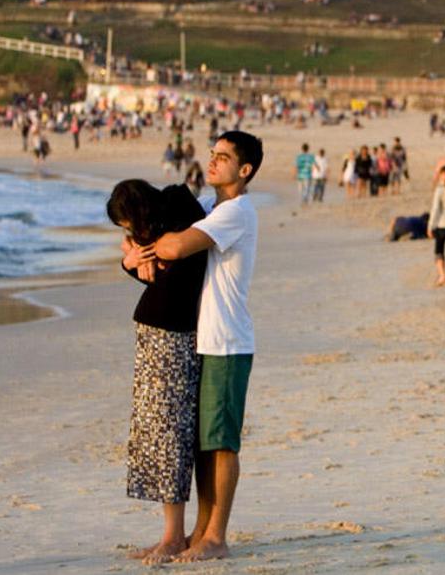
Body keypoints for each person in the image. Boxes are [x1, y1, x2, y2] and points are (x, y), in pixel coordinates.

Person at [153, 130, 263, 562]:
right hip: (204, 339)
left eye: (223, 156)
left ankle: (217, 536)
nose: (212, 161)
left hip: (227, 342)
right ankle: (199, 533)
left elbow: (177, 245)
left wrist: (157, 245)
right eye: (212, 153)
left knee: (221, 444)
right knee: (203, 444)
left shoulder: (236, 212)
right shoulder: (210, 207)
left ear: (244, 170)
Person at [106, 179, 207, 565]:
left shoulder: (179, 204)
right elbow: (154, 278)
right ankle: (170, 534)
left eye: (128, 223)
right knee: (155, 433)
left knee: (169, 434)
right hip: (155, 333)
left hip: (175, 336)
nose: (130, 231)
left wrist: (139, 256)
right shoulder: (155, 228)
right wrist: (130, 262)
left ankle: (173, 536)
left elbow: (178, 272)